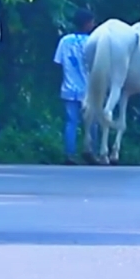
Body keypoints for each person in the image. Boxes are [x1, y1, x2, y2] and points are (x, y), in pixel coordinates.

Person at [54, 8, 99, 164]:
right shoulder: (93, 41)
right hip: (90, 91)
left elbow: (58, 63)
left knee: (71, 122)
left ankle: (70, 154)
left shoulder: (65, 41)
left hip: (69, 88)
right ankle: (91, 151)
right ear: (87, 24)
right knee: (92, 123)